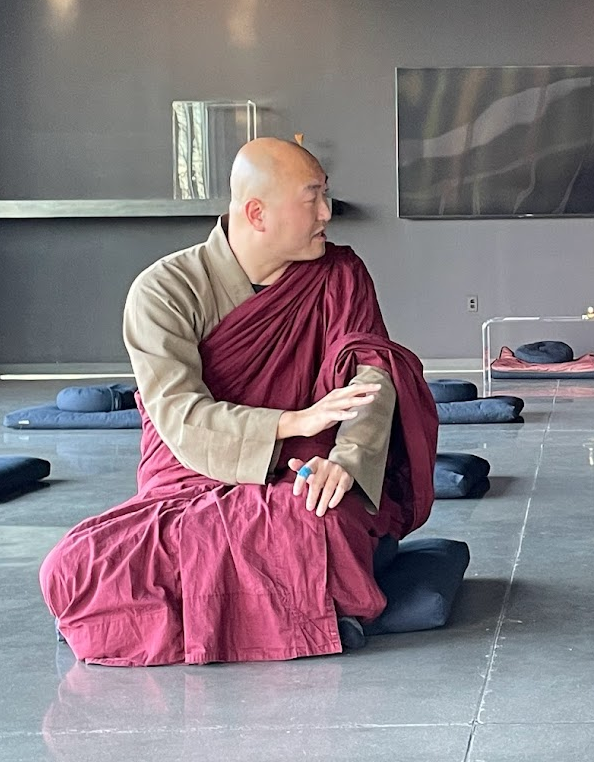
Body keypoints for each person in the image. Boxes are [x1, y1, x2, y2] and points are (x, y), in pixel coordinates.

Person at [40, 138, 438, 665]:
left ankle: (292, 606)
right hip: (190, 479)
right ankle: (313, 611)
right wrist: (294, 419)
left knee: (321, 516)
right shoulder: (164, 290)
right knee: (75, 565)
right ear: (257, 213)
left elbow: (373, 376)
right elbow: (181, 416)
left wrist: (345, 462)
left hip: (305, 474)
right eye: (312, 198)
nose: (327, 213)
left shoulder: (340, 275)